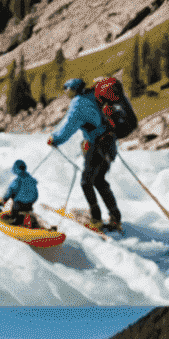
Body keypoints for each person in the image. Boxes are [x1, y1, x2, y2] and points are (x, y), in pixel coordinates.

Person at [47, 76, 121, 230]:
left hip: (98, 145)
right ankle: (115, 217)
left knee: (86, 182)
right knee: (99, 180)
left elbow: (69, 126)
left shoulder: (78, 104)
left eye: (66, 88)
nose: (65, 91)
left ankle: (96, 219)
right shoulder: (91, 95)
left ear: (73, 90)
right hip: (109, 143)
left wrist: (55, 139)